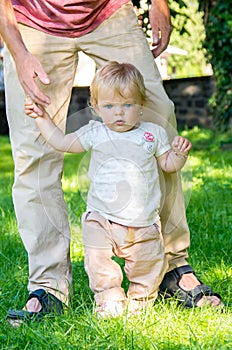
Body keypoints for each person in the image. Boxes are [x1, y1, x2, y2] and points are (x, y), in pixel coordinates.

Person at [0, 0, 221, 321]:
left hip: (109, 11)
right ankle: (48, 285)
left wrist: (160, 5)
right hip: (31, 20)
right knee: (33, 152)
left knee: (159, 119)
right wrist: (18, 51)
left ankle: (173, 265)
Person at [24, 61, 193, 317]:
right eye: (110, 106)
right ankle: (109, 298)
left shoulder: (152, 134)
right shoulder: (96, 132)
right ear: (96, 107)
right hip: (101, 218)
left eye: (127, 105)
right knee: (98, 262)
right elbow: (61, 142)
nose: (119, 113)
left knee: (147, 265)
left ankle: (141, 300)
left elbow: (168, 165)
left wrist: (179, 155)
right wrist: (43, 119)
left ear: (141, 105)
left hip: (143, 221)